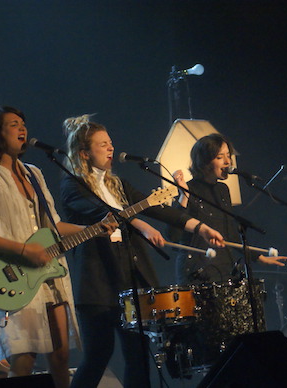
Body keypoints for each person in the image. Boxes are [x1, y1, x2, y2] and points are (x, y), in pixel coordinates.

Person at [59, 114, 225, 388]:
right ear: (84, 153)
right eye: (103, 144)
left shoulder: (119, 185)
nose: (111, 148)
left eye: (110, 142)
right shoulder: (72, 185)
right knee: (98, 356)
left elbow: (156, 207)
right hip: (97, 284)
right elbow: (103, 211)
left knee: (138, 355)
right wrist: (140, 224)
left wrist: (200, 227)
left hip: (129, 279)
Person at [0, 106, 117, 388]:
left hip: (48, 276)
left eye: (23, 123)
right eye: (13, 124)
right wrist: (23, 251)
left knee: (60, 358)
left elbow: (53, 226)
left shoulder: (33, 173)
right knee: (23, 361)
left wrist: (93, 229)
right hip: (13, 275)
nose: (22, 129)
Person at [171, 133, 287, 285]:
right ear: (204, 162)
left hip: (225, 270)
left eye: (228, 155)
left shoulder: (222, 189)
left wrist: (259, 257)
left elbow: (231, 235)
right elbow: (173, 235)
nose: (228, 162)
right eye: (220, 157)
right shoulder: (188, 189)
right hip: (197, 273)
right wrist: (184, 196)